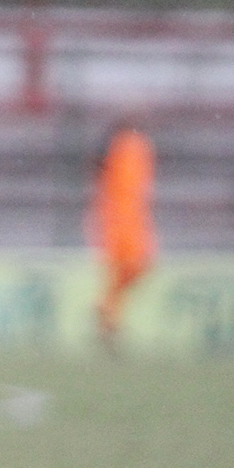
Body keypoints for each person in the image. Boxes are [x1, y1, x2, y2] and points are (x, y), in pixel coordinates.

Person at [89, 119, 157, 357]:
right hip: (121, 219)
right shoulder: (127, 145)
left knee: (134, 268)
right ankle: (108, 319)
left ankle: (106, 311)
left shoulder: (131, 145)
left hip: (129, 217)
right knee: (131, 267)